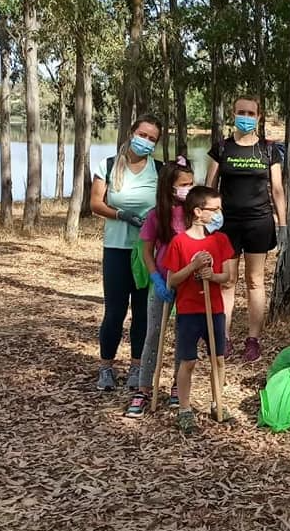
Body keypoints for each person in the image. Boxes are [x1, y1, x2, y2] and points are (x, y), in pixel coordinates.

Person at [206, 97, 286, 363]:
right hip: (227, 224)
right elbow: (210, 186)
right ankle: (224, 336)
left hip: (259, 222)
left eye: (251, 113)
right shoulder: (221, 148)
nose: (246, 117)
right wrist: (206, 220)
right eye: (241, 112)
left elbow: (277, 189)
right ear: (233, 114)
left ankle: (253, 339)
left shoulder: (268, 150)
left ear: (259, 117)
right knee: (227, 281)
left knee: (255, 281)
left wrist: (283, 224)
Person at [90, 114, 164, 391]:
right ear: (132, 132)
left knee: (143, 312)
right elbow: (96, 203)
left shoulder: (159, 170)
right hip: (116, 249)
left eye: (152, 139)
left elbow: (169, 204)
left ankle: (136, 367)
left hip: (147, 251)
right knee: (115, 311)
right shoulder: (108, 165)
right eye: (142, 135)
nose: (145, 141)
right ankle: (106, 368)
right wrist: (121, 214)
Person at [125, 158, 194, 417]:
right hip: (163, 281)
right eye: (183, 185)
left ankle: (178, 385)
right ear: (169, 187)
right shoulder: (157, 215)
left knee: (183, 335)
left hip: (188, 283)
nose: (188, 189)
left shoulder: (194, 213)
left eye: (191, 183)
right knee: (153, 333)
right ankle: (144, 388)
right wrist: (155, 277)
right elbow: (146, 250)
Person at [164, 186, 235, 434]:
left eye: (220, 209)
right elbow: (172, 280)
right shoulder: (179, 242)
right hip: (189, 311)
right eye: (214, 209)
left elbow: (228, 276)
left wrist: (212, 276)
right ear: (197, 212)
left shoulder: (220, 240)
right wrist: (193, 266)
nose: (219, 214)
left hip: (214, 310)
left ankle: (218, 403)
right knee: (189, 361)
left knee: (218, 358)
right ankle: (184, 409)